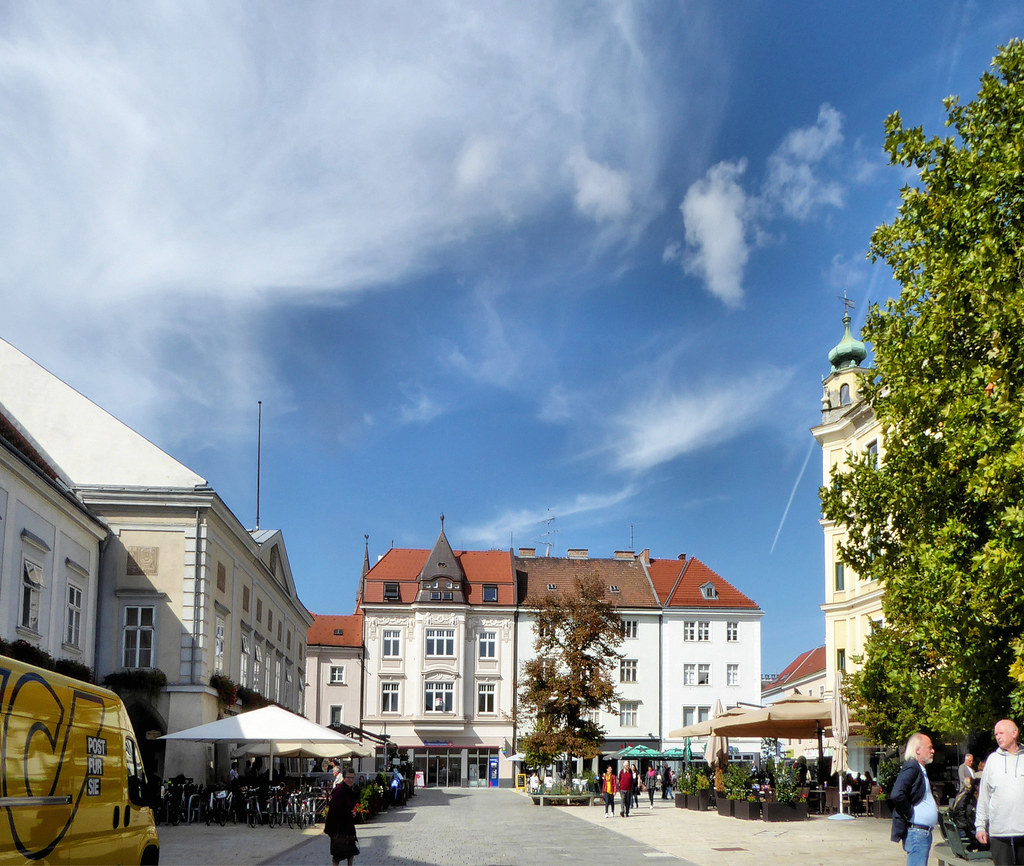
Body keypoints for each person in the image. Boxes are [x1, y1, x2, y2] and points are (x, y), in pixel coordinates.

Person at [976, 719, 1024, 864]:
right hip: (999, 833)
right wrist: (980, 826)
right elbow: (984, 796)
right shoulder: (992, 760)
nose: (998, 737)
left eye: (1001, 732)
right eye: (996, 734)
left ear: (1014, 733)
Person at [890, 731, 938, 866]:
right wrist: (911, 813)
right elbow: (897, 794)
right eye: (929, 747)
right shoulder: (912, 767)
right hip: (917, 833)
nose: (933, 751)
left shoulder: (921, 769)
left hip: (923, 832)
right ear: (918, 750)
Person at [324, 768, 360, 866]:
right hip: (338, 828)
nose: (351, 780)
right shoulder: (339, 791)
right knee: (337, 855)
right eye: (348, 778)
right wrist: (349, 813)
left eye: (352, 778)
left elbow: (350, 805)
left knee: (351, 852)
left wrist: (353, 813)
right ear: (344, 778)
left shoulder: (349, 790)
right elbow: (335, 810)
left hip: (348, 827)